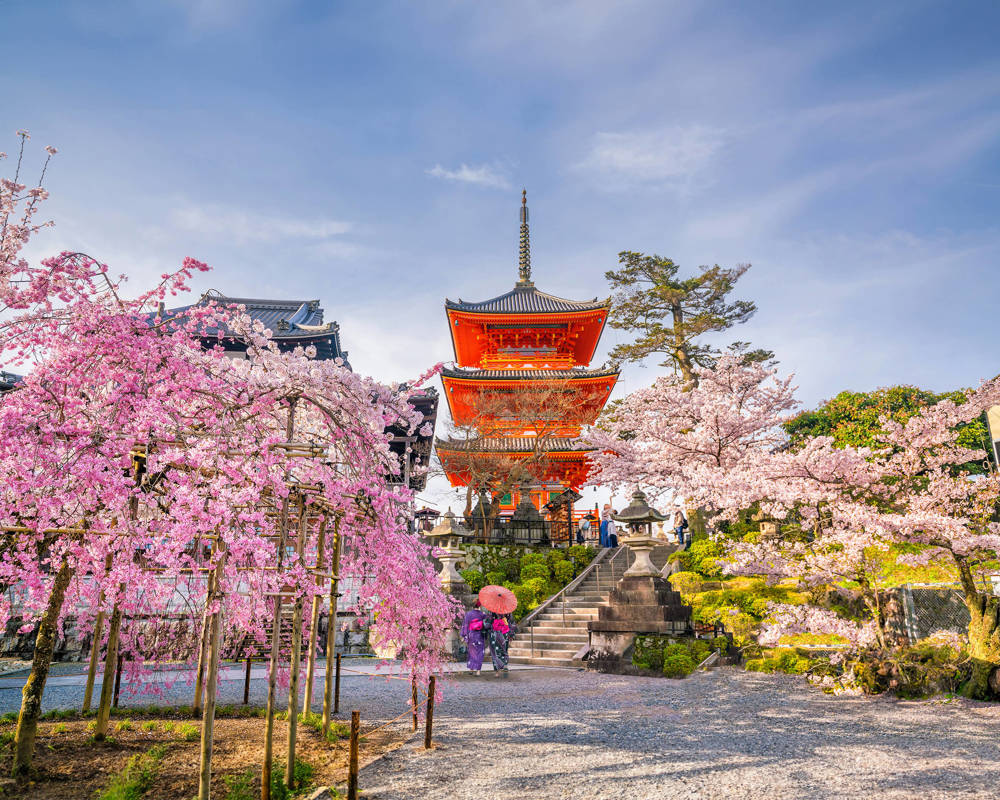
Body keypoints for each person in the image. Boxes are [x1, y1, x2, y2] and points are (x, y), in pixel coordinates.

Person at [459, 600, 488, 675]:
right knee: (480, 652)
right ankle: (478, 671)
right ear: (480, 606)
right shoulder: (483, 614)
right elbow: (486, 625)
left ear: (473, 606)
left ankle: (471, 669)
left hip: (471, 635)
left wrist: (464, 635)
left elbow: (465, 625)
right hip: (479, 635)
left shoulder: (468, 614)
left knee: (472, 652)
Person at [485, 610, 516, 674]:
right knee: (504, 649)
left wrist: (487, 627)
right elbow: (511, 622)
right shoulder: (507, 610)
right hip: (505, 632)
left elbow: (487, 624)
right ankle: (505, 665)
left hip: (495, 633)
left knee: (495, 652)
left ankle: (497, 671)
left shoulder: (492, 610)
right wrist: (511, 634)